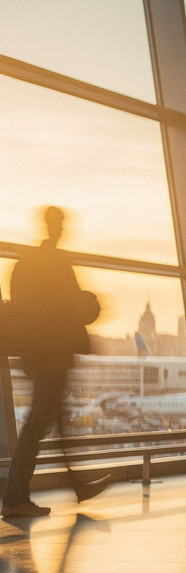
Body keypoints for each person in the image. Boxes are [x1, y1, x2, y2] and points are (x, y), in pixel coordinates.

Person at [2, 207, 109, 518]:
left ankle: (76, 485)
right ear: (55, 226)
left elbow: (22, 313)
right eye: (61, 224)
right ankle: (15, 497)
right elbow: (72, 307)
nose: (62, 229)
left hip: (35, 355)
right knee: (37, 424)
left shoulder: (23, 266)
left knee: (53, 421)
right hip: (53, 355)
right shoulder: (58, 264)